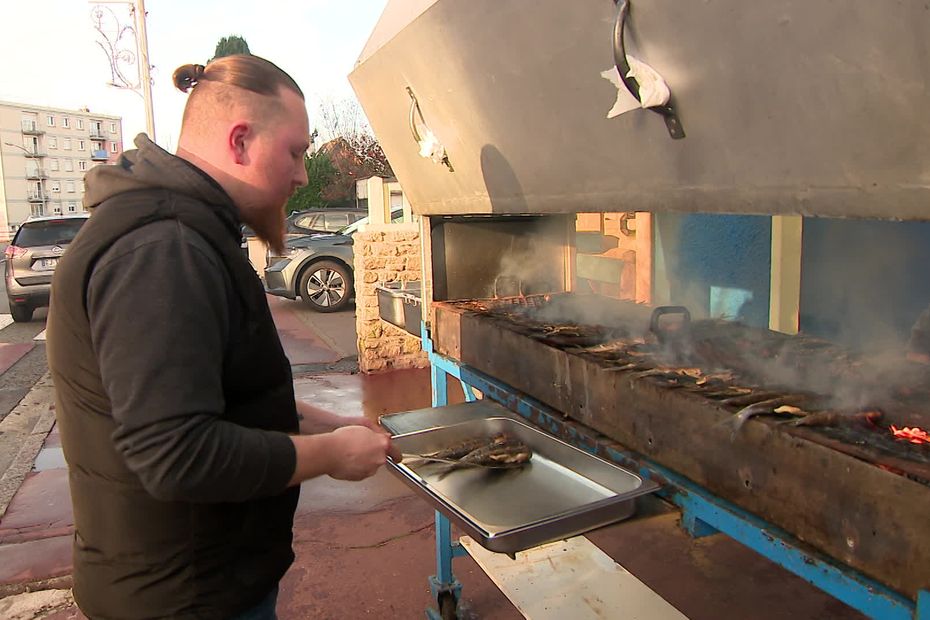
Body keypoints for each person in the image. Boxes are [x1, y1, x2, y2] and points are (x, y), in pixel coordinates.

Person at [46, 54, 399, 619]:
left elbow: (221, 400)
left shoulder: (184, 233)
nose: (304, 175)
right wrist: (331, 454)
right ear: (239, 142)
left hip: (200, 587)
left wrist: (328, 424)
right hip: (184, 600)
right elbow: (175, 453)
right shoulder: (165, 249)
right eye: (296, 151)